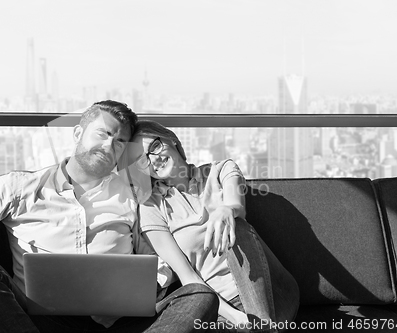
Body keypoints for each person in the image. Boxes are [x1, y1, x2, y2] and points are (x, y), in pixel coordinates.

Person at [0, 101, 219, 333]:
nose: (110, 145)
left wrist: (146, 285)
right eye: (103, 133)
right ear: (79, 133)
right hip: (42, 322)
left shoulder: (132, 194)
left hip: (120, 324)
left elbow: (156, 253)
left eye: (119, 140)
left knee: (199, 295)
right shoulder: (23, 186)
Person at [118, 120, 300, 333]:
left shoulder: (220, 170)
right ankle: (261, 327)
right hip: (224, 308)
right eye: (142, 160)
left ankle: (261, 325)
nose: (153, 160)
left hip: (273, 292)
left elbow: (236, 204)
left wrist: (227, 209)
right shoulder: (151, 207)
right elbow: (189, 279)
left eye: (155, 146)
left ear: (173, 140)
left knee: (237, 226)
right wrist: (237, 317)